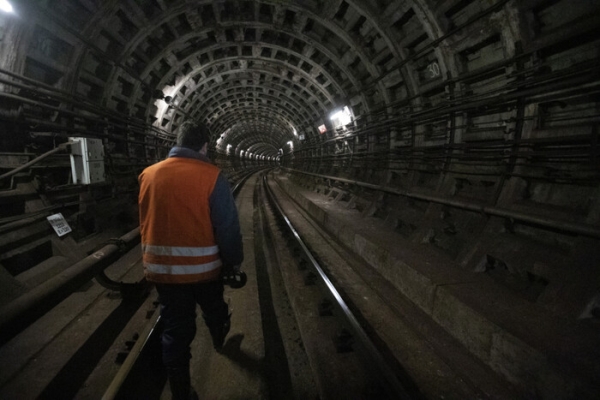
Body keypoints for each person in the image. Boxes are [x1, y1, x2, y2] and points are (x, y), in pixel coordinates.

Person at [138, 120, 243, 400]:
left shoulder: (148, 175)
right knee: (214, 309)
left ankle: (181, 393)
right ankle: (220, 340)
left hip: (163, 272)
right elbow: (227, 226)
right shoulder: (211, 175)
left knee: (175, 329)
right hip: (204, 270)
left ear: (178, 142)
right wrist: (233, 261)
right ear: (205, 146)